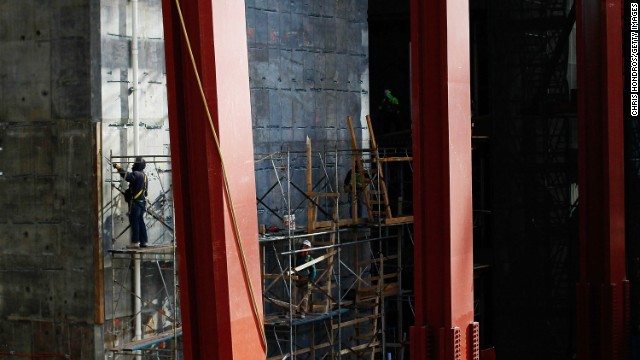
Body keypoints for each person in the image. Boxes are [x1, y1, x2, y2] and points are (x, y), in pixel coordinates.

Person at [113, 156, 149, 248]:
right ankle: (144, 241)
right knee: (140, 221)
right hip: (142, 202)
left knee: (134, 222)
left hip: (135, 203)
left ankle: (135, 242)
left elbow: (127, 176)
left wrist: (118, 167)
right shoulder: (144, 176)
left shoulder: (136, 174)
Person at [294, 239, 316, 318]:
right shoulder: (297, 257)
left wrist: (311, 281)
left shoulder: (309, 259)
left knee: (304, 297)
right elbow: (292, 266)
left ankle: (302, 312)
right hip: (297, 280)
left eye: (306, 247)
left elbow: (313, 271)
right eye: (303, 246)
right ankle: (295, 311)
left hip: (306, 280)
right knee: (296, 296)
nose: (304, 248)